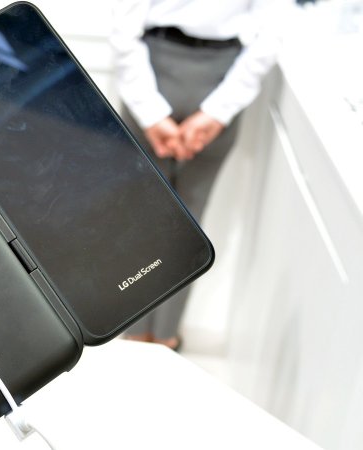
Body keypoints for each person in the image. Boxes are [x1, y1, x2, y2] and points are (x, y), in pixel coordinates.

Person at [110, 0, 288, 350]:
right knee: (188, 218)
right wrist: (218, 111)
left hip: (155, 68)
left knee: (141, 215)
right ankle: (164, 338)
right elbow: (272, 29)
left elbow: (123, 20)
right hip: (217, 75)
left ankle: (138, 336)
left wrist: (149, 110)